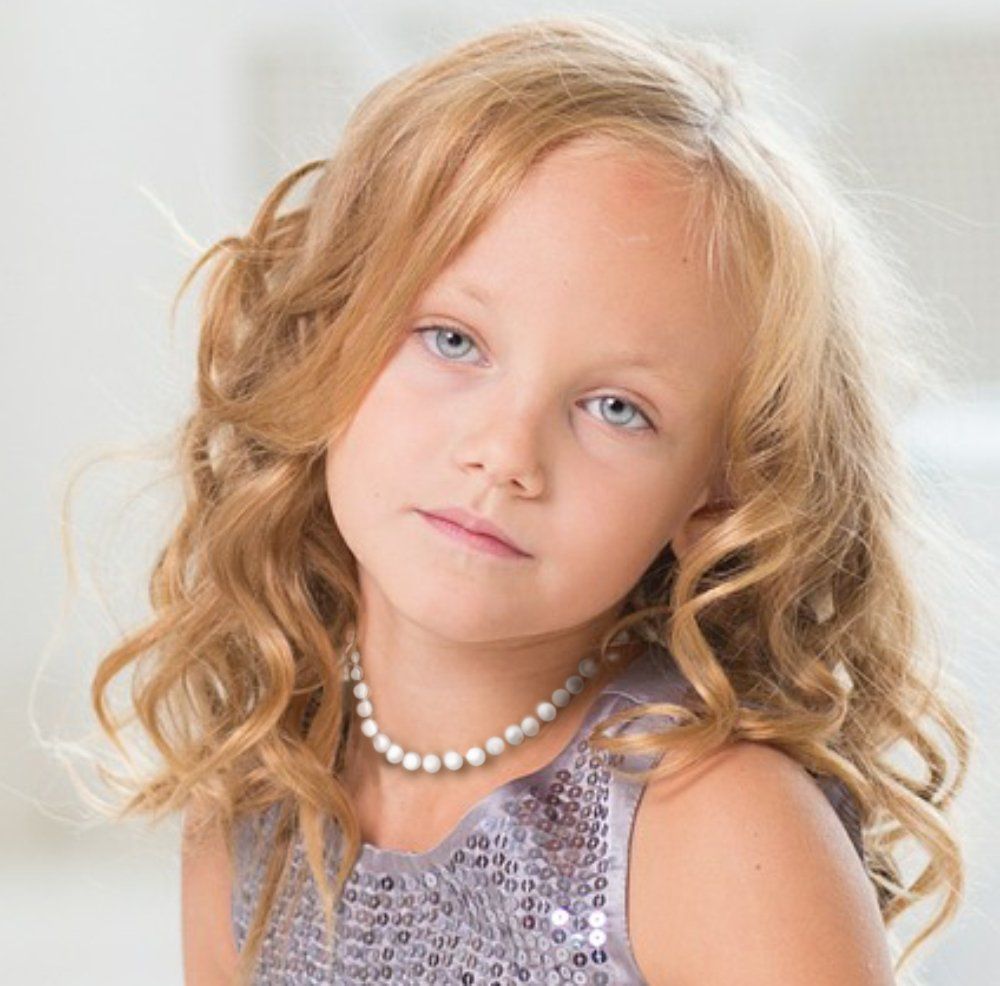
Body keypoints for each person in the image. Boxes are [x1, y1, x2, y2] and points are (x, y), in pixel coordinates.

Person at [83, 15, 973, 985]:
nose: (506, 454)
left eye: (616, 408)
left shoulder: (716, 827)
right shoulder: (265, 782)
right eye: (454, 340)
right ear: (327, 330)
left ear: (718, 494)